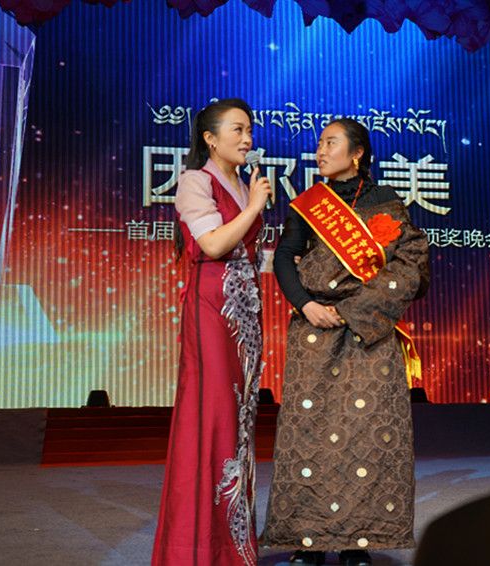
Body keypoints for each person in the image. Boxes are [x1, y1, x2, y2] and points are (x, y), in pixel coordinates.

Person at [260, 118, 430, 566]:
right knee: (309, 435)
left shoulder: (385, 201)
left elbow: (410, 265)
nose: (320, 150)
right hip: (315, 329)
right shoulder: (308, 203)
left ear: (357, 153)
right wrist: (304, 305)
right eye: (319, 143)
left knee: (366, 435)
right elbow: (285, 257)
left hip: (369, 329)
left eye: (330, 143)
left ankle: (359, 542)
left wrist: (356, 310)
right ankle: (308, 541)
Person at [152, 98, 271, 566]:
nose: (247, 138)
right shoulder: (195, 181)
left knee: (240, 422)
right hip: (212, 310)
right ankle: (199, 547)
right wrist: (256, 206)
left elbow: (250, 252)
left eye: (249, 130)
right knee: (213, 418)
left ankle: (233, 545)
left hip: (246, 313)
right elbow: (215, 243)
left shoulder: (241, 182)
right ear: (210, 138)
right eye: (237, 130)